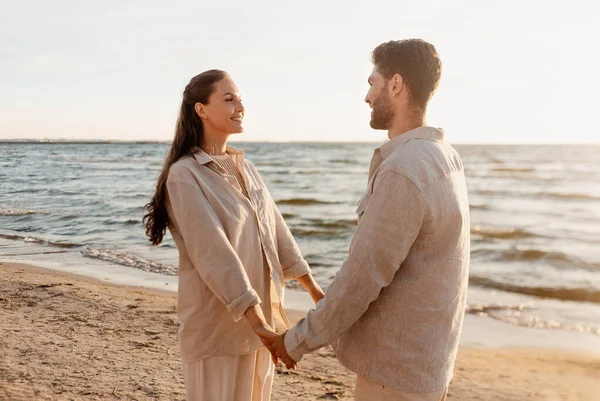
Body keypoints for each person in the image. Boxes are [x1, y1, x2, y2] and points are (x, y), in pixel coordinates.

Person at [263, 39, 471, 401]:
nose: (367, 96)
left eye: (372, 83)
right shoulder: (445, 156)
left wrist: (294, 341)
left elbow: (363, 275)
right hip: (430, 366)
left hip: (396, 374)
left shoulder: (404, 170)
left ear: (395, 84)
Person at [143, 69, 324, 401]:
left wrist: (316, 292)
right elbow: (215, 254)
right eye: (229, 99)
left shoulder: (245, 166)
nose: (240, 106)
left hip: (262, 326)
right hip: (219, 330)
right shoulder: (184, 175)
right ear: (201, 109)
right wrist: (261, 327)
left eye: (240, 99)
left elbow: (277, 230)